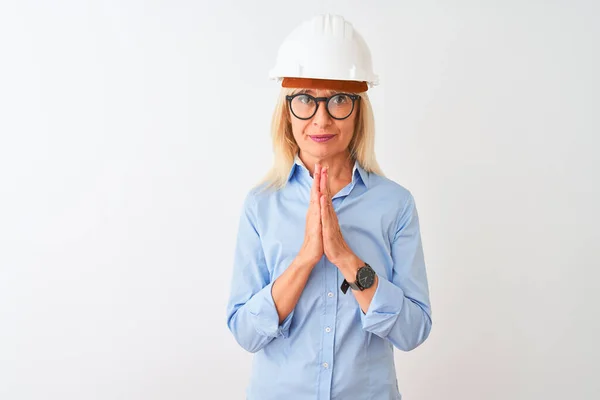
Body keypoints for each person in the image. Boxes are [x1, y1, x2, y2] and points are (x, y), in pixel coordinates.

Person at [226, 14, 432, 400]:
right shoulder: (261, 204)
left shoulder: (395, 204)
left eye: (339, 99)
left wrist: (347, 260)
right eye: (305, 99)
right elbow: (245, 333)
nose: (321, 118)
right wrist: (305, 258)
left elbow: (413, 330)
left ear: (358, 109)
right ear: (287, 110)